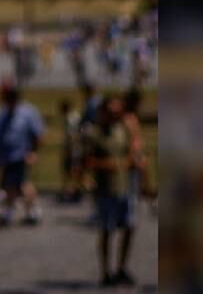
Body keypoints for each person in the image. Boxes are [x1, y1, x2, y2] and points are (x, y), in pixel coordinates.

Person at [83, 93, 140, 286]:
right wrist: (112, 165)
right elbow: (88, 161)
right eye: (111, 112)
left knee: (129, 227)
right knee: (107, 230)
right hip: (106, 189)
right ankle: (105, 271)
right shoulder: (95, 133)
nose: (115, 115)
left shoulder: (123, 129)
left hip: (125, 186)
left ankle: (122, 267)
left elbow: (133, 154)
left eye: (118, 111)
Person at [0, 82, 44, 225]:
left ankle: (32, 210)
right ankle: (9, 211)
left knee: (23, 184)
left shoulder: (28, 112)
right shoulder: (2, 112)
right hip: (6, 156)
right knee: (9, 185)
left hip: (21, 155)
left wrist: (33, 152)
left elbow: (38, 135)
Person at [58, 98, 84, 203]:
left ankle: (73, 192)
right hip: (75, 150)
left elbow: (73, 136)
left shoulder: (71, 118)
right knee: (74, 172)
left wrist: (69, 150)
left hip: (74, 150)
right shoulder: (75, 116)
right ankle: (74, 191)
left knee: (72, 172)